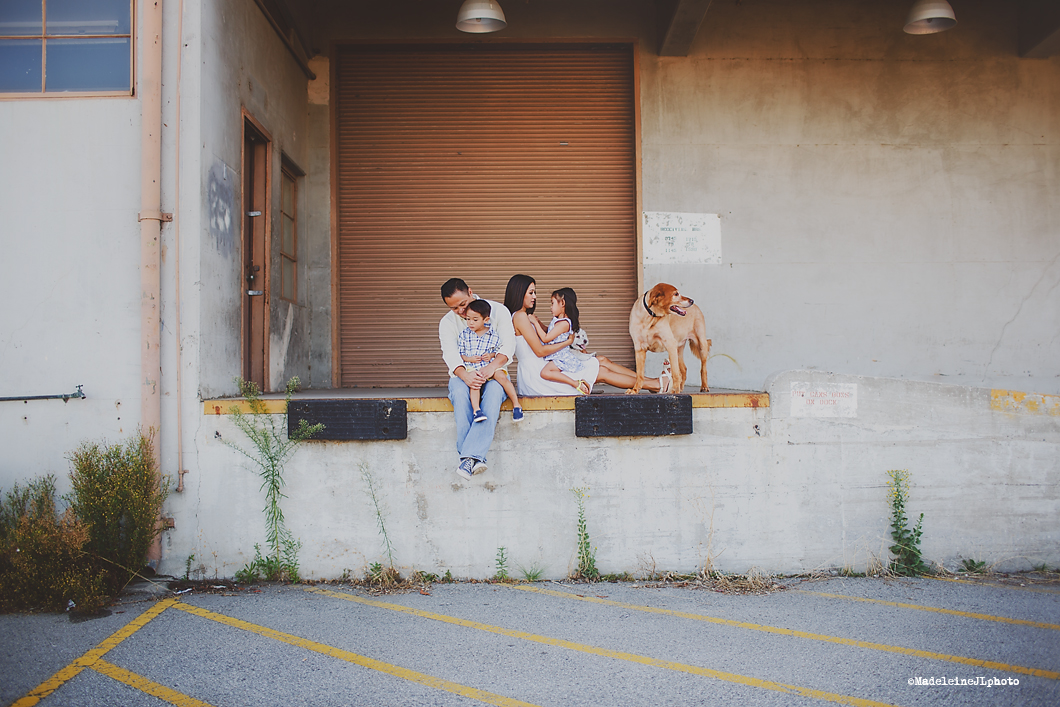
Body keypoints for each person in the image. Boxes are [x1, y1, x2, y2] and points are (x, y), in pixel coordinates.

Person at [503, 275, 670, 395]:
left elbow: (546, 337)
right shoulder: (520, 316)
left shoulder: (524, 316)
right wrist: (566, 343)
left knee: (602, 361)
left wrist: (539, 324)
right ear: (519, 292)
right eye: (531, 292)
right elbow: (540, 351)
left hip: (544, 366)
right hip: (539, 375)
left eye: (534, 292)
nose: (535, 297)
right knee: (601, 371)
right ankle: (655, 384)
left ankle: (652, 382)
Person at [439, 278, 515, 480]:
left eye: (463, 304)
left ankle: (467, 458)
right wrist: (466, 376)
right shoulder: (447, 322)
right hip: (463, 373)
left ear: (470, 292)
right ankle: (475, 458)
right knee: (459, 393)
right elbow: (450, 354)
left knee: (493, 394)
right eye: (454, 308)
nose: (461, 311)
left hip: (494, 372)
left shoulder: (498, 311)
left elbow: (508, 346)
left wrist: (490, 368)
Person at [458, 299, 523, 423]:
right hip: (473, 366)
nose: (470, 323)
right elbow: (460, 354)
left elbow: (498, 350)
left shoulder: (493, 335)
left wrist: (491, 355)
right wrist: (469, 359)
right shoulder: (464, 335)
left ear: (486, 320)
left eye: (475, 320)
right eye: (468, 319)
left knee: (502, 377)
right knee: (475, 383)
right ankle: (477, 410)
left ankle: (516, 405)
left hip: (490, 366)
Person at [533, 287, 591, 394]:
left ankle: (575, 383)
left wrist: (535, 323)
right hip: (556, 355)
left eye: (552, 303)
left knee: (545, 373)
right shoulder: (559, 321)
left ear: (562, 303)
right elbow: (550, 331)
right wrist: (539, 323)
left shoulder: (564, 323)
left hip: (560, 357)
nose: (551, 307)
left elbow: (546, 338)